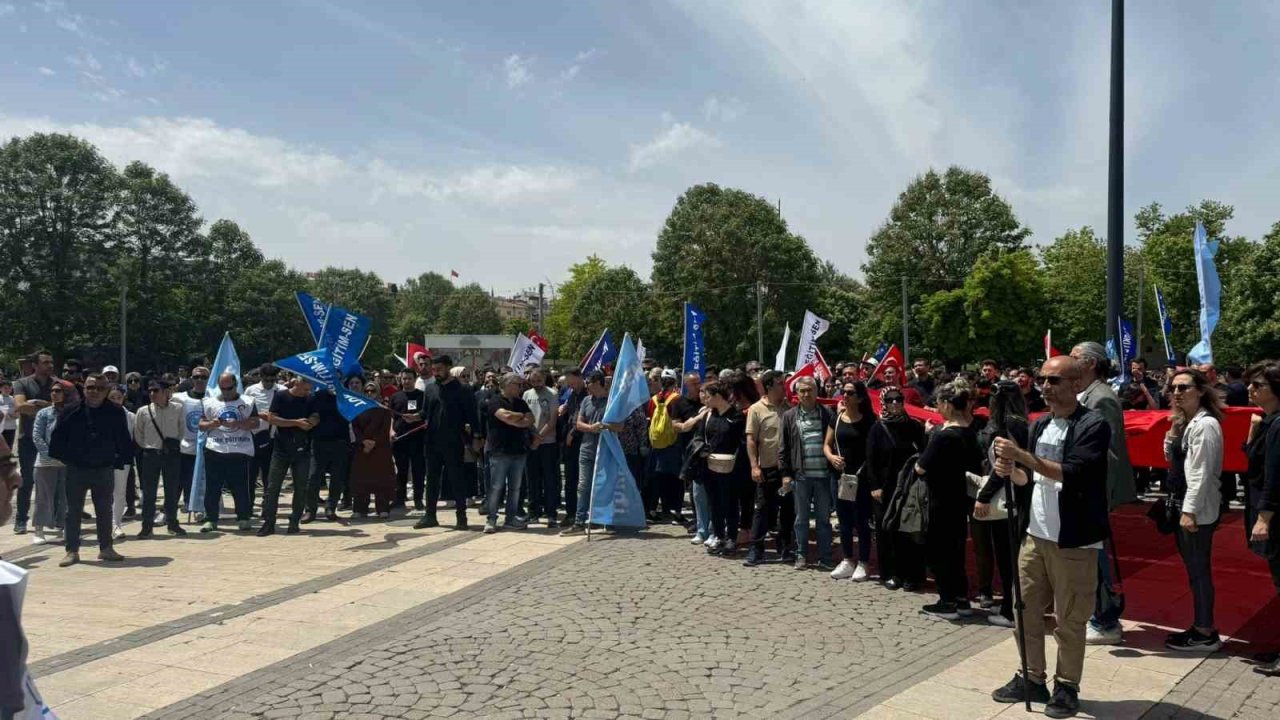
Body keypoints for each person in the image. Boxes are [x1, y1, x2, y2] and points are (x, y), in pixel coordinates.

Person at [989, 355, 1112, 718]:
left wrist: (1022, 457)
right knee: (1022, 609)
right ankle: (1031, 677)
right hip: (1035, 535)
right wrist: (1009, 469)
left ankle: (1067, 686)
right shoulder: (1040, 425)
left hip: (1073, 540)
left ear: (1076, 384)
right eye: (1043, 379)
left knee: (1070, 619)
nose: (1046, 386)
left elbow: (1073, 472)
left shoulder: (1093, 424)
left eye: (1055, 380)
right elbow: (1029, 482)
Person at [1070, 341, 1135, 646]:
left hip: (1093, 491)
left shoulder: (1102, 399)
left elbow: (1107, 453)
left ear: (1091, 363)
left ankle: (1106, 619)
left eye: (1074, 358)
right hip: (1081, 488)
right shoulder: (1085, 395)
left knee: (1096, 557)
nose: (1068, 363)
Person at [1161, 368, 1224, 652]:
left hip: (1195, 507)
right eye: (1173, 388)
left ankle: (1204, 631)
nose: (1176, 392)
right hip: (1183, 503)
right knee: (1194, 569)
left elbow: (1201, 472)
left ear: (1200, 390)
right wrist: (1173, 433)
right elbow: (1173, 460)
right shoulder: (1187, 423)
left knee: (1199, 570)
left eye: (1184, 387)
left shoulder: (1206, 425)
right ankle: (1201, 626)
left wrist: (1190, 511)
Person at [47, 373, 132, 567]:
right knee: (73, 511)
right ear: (84, 389)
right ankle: (72, 550)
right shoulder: (70, 411)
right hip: (76, 468)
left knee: (104, 509)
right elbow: (57, 441)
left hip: (103, 468)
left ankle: (106, 548)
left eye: (100, 388)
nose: (94, 392)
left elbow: (123, 440)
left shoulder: (116, 412)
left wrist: (119, 460)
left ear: (107, 390)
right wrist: (68, 459)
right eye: (90, 387)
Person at [914, 381, 983, 619]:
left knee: (941, 551)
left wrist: (927, 440)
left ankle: (947, 600)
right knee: (956, 550)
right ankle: (962, 599)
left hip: (941, 499)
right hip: (961, 498)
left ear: (946, 404)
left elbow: (921, 467)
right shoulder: (970, 432)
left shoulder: (944, 435)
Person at [973, 381, 1033, 627]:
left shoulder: (1007, 426)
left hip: (1009, 498)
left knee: (1007, 557)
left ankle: (1011, 609)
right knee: (1010, 556)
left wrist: (983, 496)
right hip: (1018, 495)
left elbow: (1003, 467)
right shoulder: (1022, 423)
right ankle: (1011, 604)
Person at [867, 385, 926, 590]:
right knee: (887, 531)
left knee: (910, 531)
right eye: (890, 400)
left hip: (909, 487)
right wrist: (874, 486)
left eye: (898, 399)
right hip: (885, 488)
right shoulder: (877, 428)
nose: (895, 403)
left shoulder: (914, 427)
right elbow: (871, 460)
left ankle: (913, 575)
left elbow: (924, 454)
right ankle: (892, 573)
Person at [1244, 362, 1280, 676]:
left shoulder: (1279, 424)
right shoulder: (1268, 422)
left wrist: (1264, 517)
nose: (1250, 390)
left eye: (1258, 385)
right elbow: (1253, 461)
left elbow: (1275, 476)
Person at [416, 355, 476, 530]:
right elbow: (424, 412)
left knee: (456, 479)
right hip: (432, 442)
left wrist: (476, 437)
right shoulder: (431, 389)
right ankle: (430, 516)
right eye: (434, 370)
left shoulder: (462, 390)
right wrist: (413, 417)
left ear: (449, 367)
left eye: (439, 369)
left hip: (453, 442)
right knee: (432, 480)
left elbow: (472, 416)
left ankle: (461, 517)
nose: (436, 372)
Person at [781, 376, 834, 570]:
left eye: (809, 390)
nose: (806, 394)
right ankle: (801, 554)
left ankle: (825, 557)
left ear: (816, 391)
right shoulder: (789, 416)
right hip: (801, 476)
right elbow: (784, 448)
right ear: (797, 394)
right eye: (802, 391)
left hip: (823, 475)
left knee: (823, 519)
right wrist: (786, 474)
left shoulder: (827, 413)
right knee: (801, 519)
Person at [743, 370, 795, 566]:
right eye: (780, 383)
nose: (784, 386)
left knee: (788, 509)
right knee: (762, 509)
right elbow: (751, 440)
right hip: (767, 468)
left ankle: (785, 546)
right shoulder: (756, 409)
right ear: (769, 387)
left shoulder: (790, 408)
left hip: (787, 470)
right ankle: (756, 548)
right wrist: (754, 466)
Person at [826, 380, 876, 581]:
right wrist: (831, 457)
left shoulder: (869, 421)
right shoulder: (836, 419)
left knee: (862, 522)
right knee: (844, 521)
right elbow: (827, 445)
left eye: (849, 393)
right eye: (843, 392)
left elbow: (873, 451)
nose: (844, 396)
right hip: (840, 478)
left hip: (861, 478)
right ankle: (847, 559)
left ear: (860, 397)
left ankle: (863, 562)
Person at [197, 372, 258, 533]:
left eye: (229, 388)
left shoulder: (247, 401)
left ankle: (243, 517)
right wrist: (212, 424)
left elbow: (255, 422)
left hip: (240, 449)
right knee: (213, 486)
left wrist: (238, 423)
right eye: (223, 388)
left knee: (240, 486)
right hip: (215, 449)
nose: (226, 392)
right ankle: (211, 518)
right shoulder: (208, 402)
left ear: (235, 384)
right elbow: (201, 424)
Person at [257, 377, 319, 536]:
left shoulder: (310, 398)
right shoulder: (281, 396)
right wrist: (296, 423)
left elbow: (315, 416)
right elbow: (272, 418)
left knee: (300, 487)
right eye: (305, 389)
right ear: (297, 383)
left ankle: (294, 521)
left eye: (309, 389)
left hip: (302, 448)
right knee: (272, 487)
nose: (307, 392)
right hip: (281, 449)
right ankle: (269, 522)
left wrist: (311, 423)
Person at [132, 379, 185, 538]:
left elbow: (181, 430)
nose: (152, 394)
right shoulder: (143, 411)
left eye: (156, 390)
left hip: (171, 455)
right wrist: (150, 446)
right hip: (151, 454)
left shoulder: (178, 408)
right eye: (150, 391)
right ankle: (147, 526)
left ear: (166, 392)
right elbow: (138, 434)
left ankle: (172, 523)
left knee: (172, 490)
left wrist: (171, 446)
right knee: (149, 493)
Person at [11, 350, 56, 535]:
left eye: (51, 362)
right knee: (27, 479)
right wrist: (49, 406)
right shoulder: (22, 383)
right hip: (28, 438)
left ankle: (53, 518)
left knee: (53, 480)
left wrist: (37, 405)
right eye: (46, 362)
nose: (50, 365)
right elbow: (20, 407)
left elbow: (64, 406)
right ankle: (21, 519)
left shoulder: (56, 384)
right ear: (35, 365)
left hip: (52, 440)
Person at [560, 371, 609, 536]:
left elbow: (619, 426)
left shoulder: (611, 402)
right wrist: (591, 428)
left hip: (604, 450)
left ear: (598, 383)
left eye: (590, 382)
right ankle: (579, 521)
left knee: (602, 486)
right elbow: (579, 423)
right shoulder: (586, 400)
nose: (587, 385)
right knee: (583, 486)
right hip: (586, 449)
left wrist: (605, 426)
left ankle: (602, 519)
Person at [698, 381, 744, 555]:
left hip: (730, 467)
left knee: (730, 502)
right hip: (709, 466)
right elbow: (699, 437)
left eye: (708, 396)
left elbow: (742, 443)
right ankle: (718, 535)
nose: (705, 399)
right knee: (714, 502)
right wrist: (702, 451)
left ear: (718, 396)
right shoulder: (708, 415)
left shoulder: (736, 416)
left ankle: (731, 537)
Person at [484, 372, 532, 533]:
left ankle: (510, 518)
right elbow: (504, 416)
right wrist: (519, 417)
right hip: (499, 451)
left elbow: (530, 420)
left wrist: (516, 419)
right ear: (508, 385)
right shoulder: (495, 401)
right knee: (496, 486)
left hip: (519, 450)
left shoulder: (521, 402)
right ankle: (491, 518)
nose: (520, 387)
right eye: (517, 384)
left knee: (515, 488)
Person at [28, 382, 71, 546]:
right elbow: (37, 436)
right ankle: (39, 530)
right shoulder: (43, 413)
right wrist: (51, 454)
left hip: (66, 462)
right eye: (52, 390)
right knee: (43, 497)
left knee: (66, 497)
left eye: (58, 391)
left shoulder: (71, 413)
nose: (54, 393)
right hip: (45, 462)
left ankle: (66, 527)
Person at [243, 364, 286, 517]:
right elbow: (245, 412)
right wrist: (260, 415)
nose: (269, 383)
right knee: (250, 475)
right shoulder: (251, 390)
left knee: (270, 477)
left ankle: (267, 506)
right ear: (260, 377)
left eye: (272, 380)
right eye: (266, 380)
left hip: (274, 438)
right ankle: (247, 507)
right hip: (254, 437)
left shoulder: (281, 390)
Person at [522, 368, 560, 526]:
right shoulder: (527, 395)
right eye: (533, 381)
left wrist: (539, 438)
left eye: (539, 381)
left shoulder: (552, 394)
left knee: (549, 479)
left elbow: (552, 421)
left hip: (547, 442)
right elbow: (526, 418)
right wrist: (532, 438)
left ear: (544, 379)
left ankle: (551, 513)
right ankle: (533, 512)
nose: (536, 384)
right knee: (532, 480)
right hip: (530, 443)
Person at [350, 395, 395, 519]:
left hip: (380, 448)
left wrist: (374, 442)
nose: (370, 393)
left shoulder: (384, 409)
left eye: (373, 390)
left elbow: (385, 428)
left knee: (381, 478)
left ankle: (382, 508)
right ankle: (360, 508)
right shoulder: (357, 408)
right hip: (362, 449)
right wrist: (363, 441)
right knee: (361, 479)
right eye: (367, 390)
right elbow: (355, 427)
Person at [311, 384, 352, 520]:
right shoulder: (317, 396)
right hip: (319, 441)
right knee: (314, 477)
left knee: (337, 478)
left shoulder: (347, 397)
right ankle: (310, 510)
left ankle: (331, 508)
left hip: (340, 441)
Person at [389, 368, 427, 511]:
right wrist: (391, 431)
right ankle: (400, 499)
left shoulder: (422, 396)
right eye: (404, 378)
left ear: (415, 379)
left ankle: (418, 499)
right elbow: (391, 417)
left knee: (418, 471)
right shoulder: (395, 396)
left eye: (409, 378)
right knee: (401, 471)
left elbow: (426, 414)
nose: (406, 381)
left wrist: (416, 418)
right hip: (400, 439)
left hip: (417, 439)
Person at [106, 387, 135, 540]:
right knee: (104, 493)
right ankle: (104, 525)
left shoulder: (130, 416)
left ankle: (116, 524)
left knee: (120, 492)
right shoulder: (101, 415)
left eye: (118, 397)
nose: (116, 400)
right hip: (104, 459)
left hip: (123, 459)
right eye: (112, 397)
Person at [1, 381, 17, 449]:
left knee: (8, 447)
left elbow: (18, 414)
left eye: (9, 388)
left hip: (11, 427)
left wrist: (10, 416)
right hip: (0, 428)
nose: (7, 390)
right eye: (5, 388)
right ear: (0, 389)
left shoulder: (14, 399)